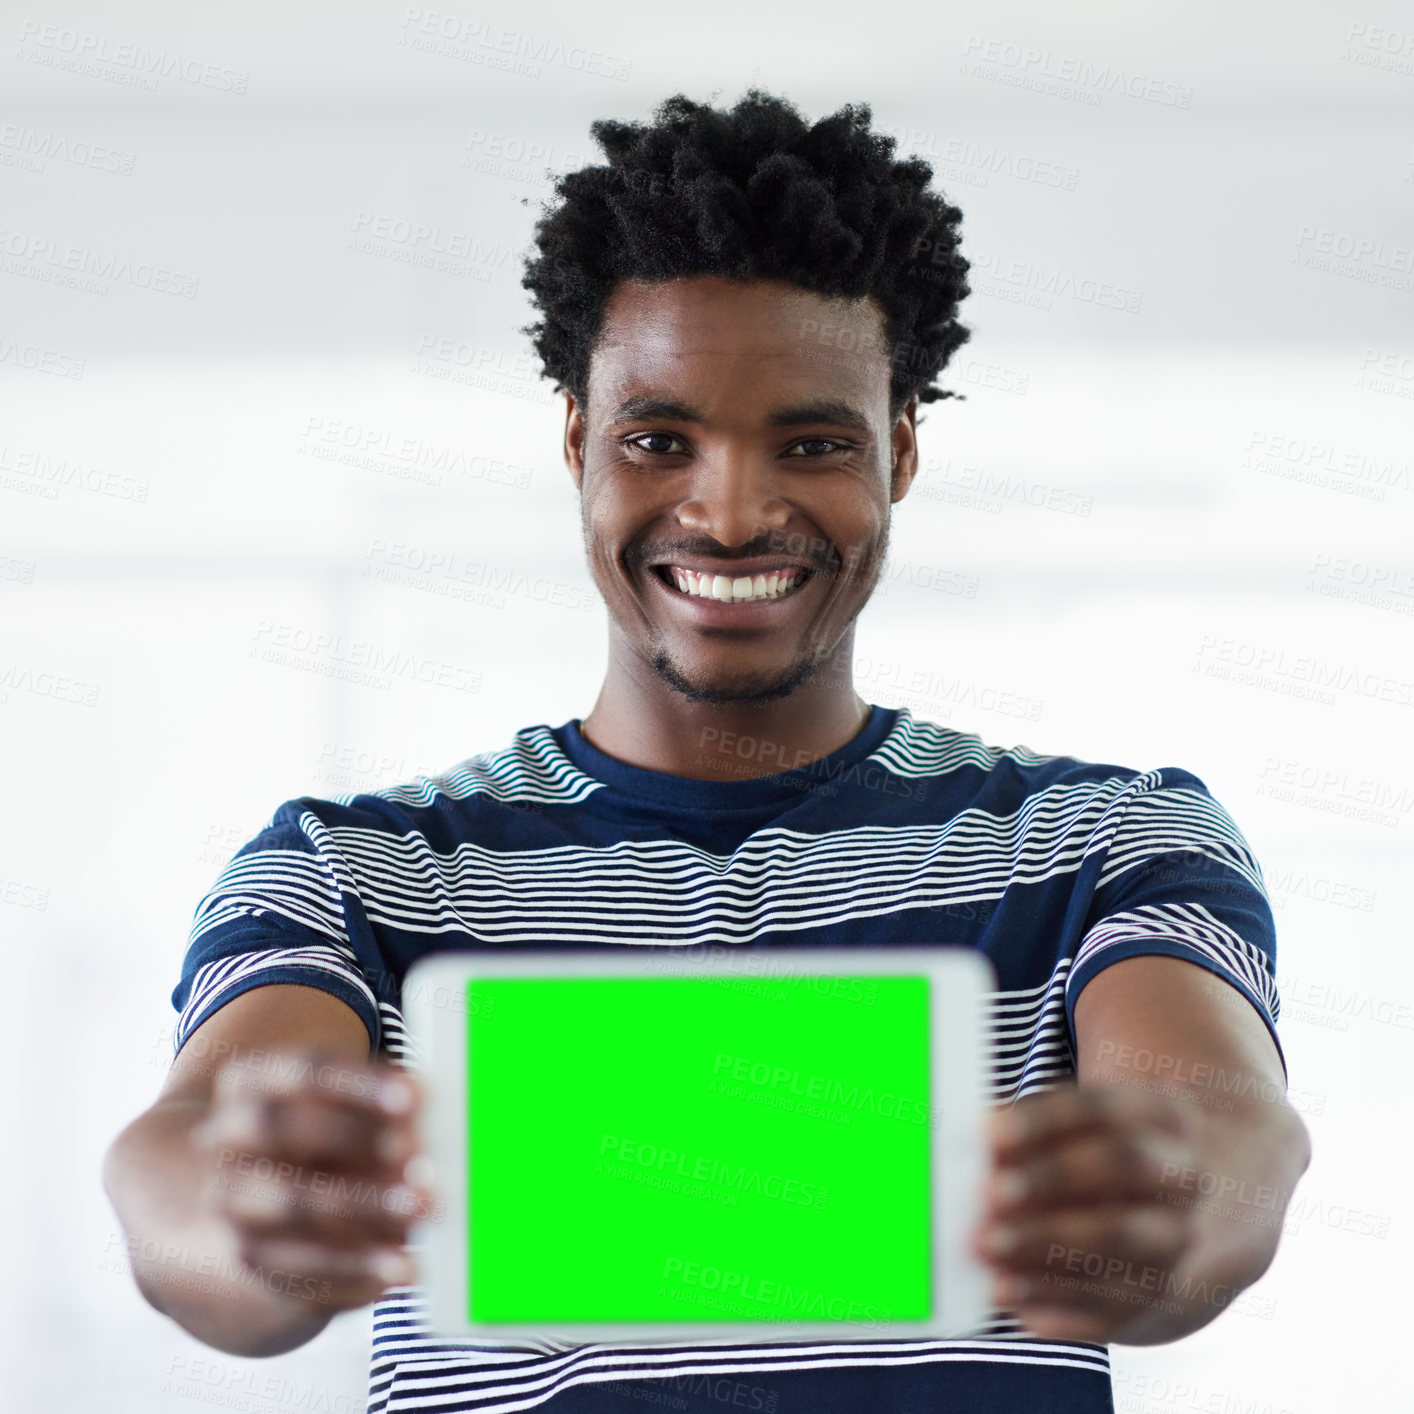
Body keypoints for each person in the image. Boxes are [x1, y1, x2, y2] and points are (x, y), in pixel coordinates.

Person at [103, 87, 1311, 1413]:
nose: (731, 511)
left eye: (810, 440)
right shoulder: (352, 872)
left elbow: (1226, 1143)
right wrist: (241, 1211)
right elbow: (185, 1183)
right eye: (658, 437)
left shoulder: (1105, 842)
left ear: (899, 450)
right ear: (578, 442)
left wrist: (1166, 1196)